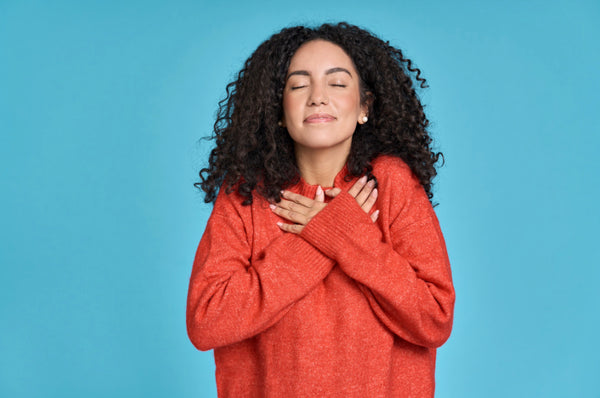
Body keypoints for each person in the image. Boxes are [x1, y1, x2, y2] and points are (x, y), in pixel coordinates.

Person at [186, 22, 455, 397]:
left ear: (364, 106)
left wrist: (347, 239)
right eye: (298, 85)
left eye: (338, 83)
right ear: (278, 110)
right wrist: (322, 238)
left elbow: (434, 318)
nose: (317, 97)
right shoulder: (247, 193)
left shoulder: (390, 183)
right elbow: (207, 320)